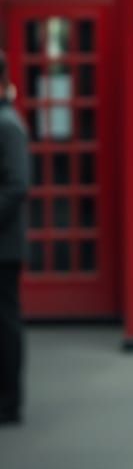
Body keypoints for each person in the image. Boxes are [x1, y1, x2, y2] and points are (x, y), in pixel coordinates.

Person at [0, 49, 29, 424]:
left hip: (4, 246)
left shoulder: (8, 124)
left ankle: (9, 400)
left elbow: (17, 184)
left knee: (5, 324)